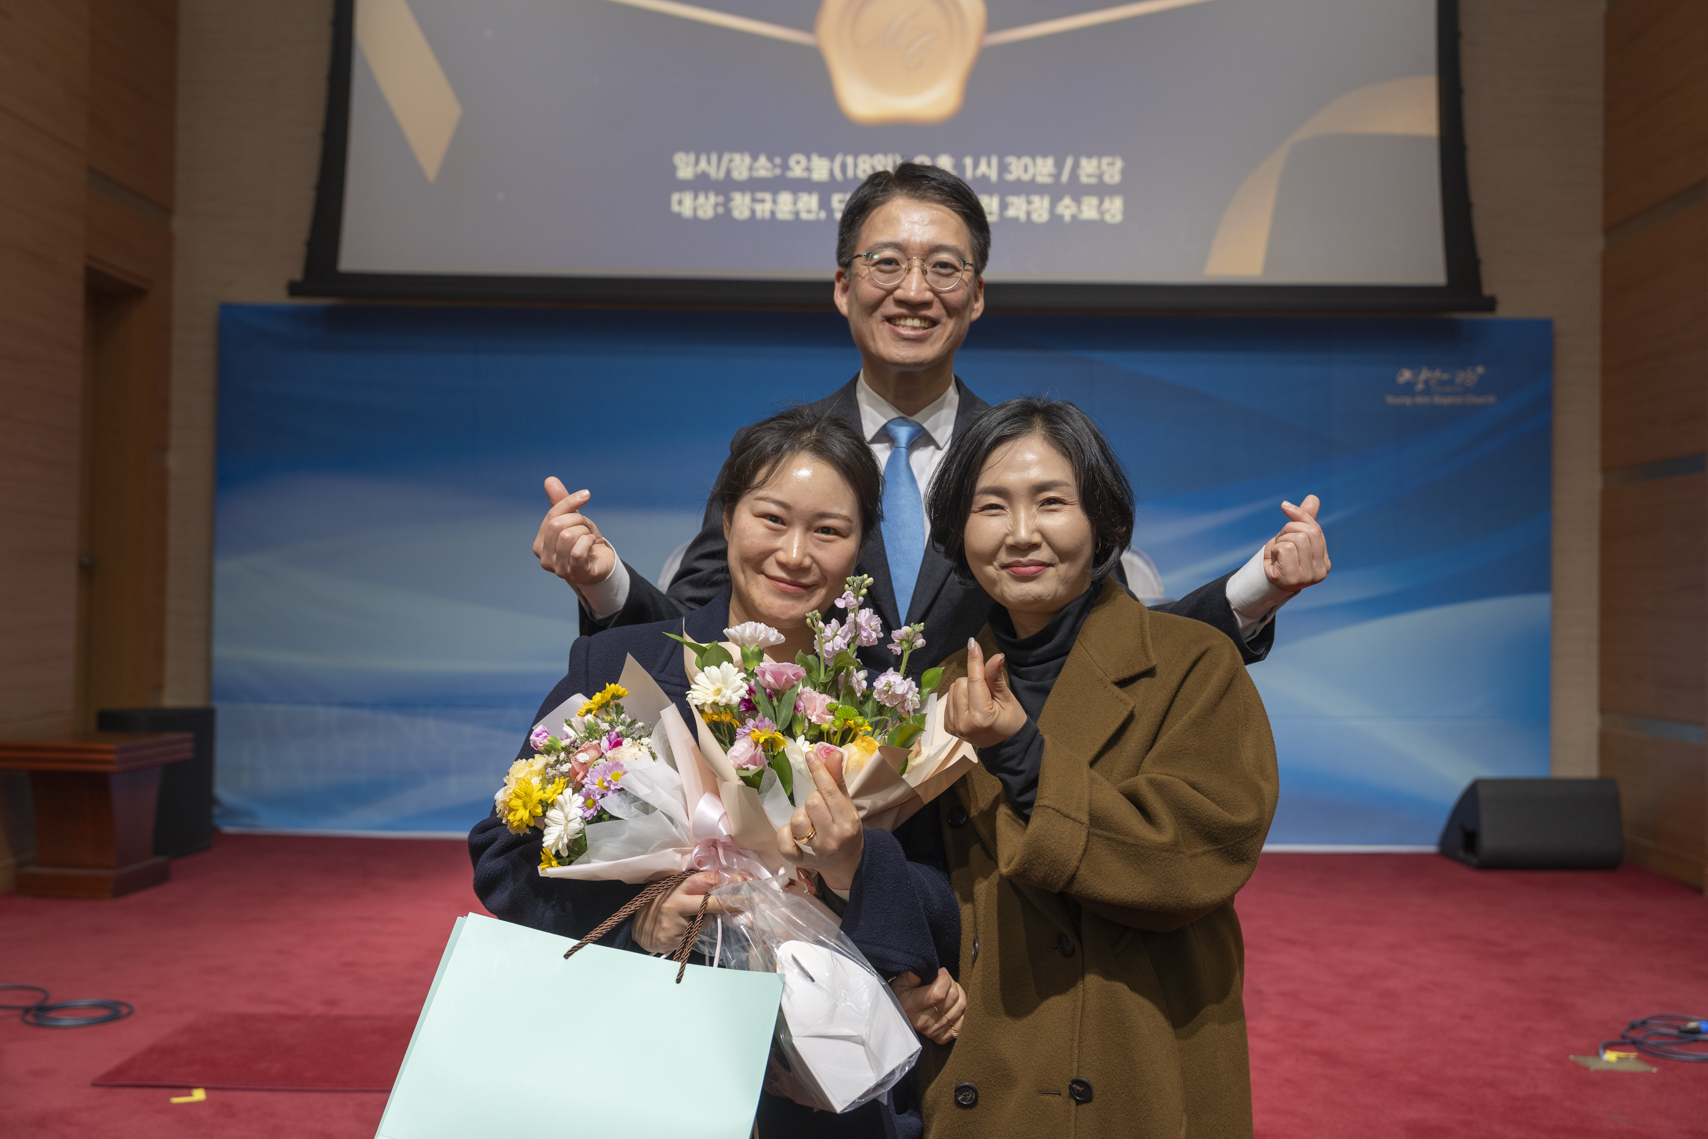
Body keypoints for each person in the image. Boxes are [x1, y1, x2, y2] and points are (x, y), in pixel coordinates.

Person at [531, 163, 1329, 675]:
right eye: (886, 263)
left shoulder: (1026, 456)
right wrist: (602, 580)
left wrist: (1260, 586)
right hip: (804, 796)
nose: (914, 291)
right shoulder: (780, 458)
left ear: (976, 296)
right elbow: (696, 631)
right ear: (842, 286)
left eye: (944, 268)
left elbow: (1125, 638)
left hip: (989, 803)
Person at [470, 407, 963, 1139]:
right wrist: (641, 927)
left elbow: (944, 899)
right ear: (727, 518)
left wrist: (857, 869)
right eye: (772, 518)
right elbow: (505, 858)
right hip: (649, 1073)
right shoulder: (628, 666)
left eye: (828, 530)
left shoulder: (885, 702)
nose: (794, 554)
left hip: (829, 1098)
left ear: (861, 546)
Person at [916, 397, 1281, 1138]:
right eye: (992, 506)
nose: (1022, 532)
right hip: (985, 1059)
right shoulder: (936, 688)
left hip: (1136, 1057)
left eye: (1051, 502)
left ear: (1103, 521)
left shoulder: (1193, 663)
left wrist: (1021, 754)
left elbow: (1193, 857)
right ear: (957, 528)